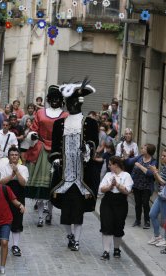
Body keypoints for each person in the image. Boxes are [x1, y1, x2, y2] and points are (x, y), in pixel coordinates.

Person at [49, 80, 100, 251]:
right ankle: (69, 235)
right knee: (65, 212)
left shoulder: (90, 123)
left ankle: (76, 240)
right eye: (68, 103)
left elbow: (94, 143)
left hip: (82, 175)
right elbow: (55, 146)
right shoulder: (59, 124)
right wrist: (56, 159)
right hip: (64, 175)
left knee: (78, 212)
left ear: (79, 103)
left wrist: (86, 148)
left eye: (73, 103)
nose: (70, 106)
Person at [25, 85, 68, 227]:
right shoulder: (40, 113)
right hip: (42, 150)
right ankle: (40, 217)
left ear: (61, 100)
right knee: (42, 188)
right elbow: (33, 130)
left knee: (53, 185)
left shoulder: (65, 115)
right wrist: (32, 136)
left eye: (58, 98)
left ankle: (50, 213)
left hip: (57, 152)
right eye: (53, 98)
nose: (55, 101)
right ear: (49, 99)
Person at [98, 156, 133, 260]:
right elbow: (101, 189)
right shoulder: (108, 175)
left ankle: (117, 249)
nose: (109, 166)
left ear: (116, 165)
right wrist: (109, 187)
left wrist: (117, 184)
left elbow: (127, 191)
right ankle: (106, 251)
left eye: (110, 164)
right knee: (106, 225)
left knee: (118, 226)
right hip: (107, 201)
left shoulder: (126, 175)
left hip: (120, 202)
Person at [0, 146, 29, 257]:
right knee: (5, 219)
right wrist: (11, 175)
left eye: (16, 155)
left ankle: (15, 246)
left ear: (19, 156)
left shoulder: (23, 168)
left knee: (17, 220)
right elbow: (1, 182)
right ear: (8, 156)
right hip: (6, 195)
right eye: (12, 155)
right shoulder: (3, 168)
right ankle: (4, 243)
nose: (14, 157)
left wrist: (17, 172)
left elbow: (23, 183)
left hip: (19, 196)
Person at [130, 144, 157, 229]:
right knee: (137, 203)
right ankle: (137, 220)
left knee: (145, 203)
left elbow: (150, 173)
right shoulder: (139, 158)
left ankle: (147, 221)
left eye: (144, 148)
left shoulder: (153, 162)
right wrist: (130, 183)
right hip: (137, 185)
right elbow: (133, 170)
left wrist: (140, 166)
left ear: (148, 151)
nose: (142, 149)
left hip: (147, 186)